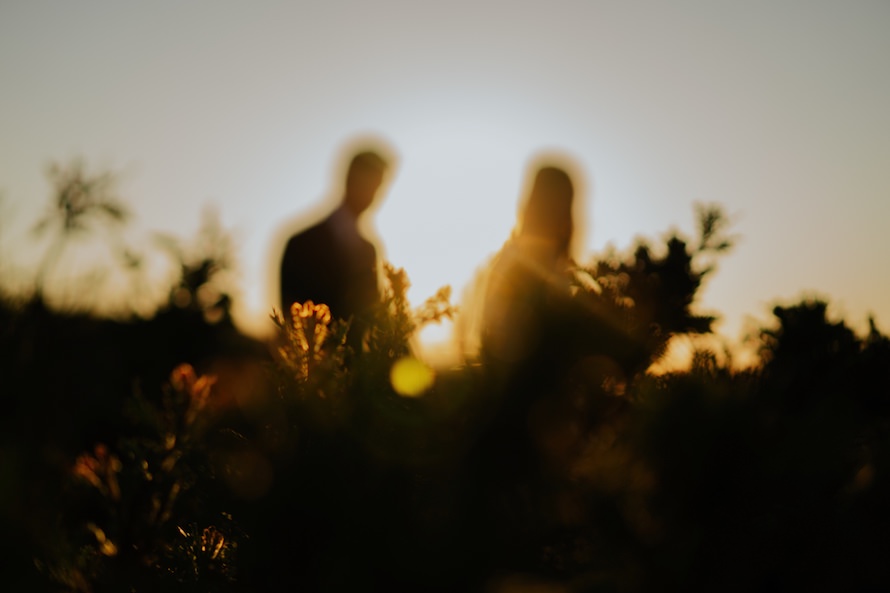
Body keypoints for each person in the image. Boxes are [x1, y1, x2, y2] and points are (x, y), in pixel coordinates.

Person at [280, 147, 392, 345]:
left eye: (378, 187)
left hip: (359, 371)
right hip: (313, 367)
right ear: (349, 178)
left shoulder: (368, 250)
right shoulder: (301, 243)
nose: (374, 195)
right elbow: (290, 316)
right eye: (370, 184)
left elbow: (373, 315)